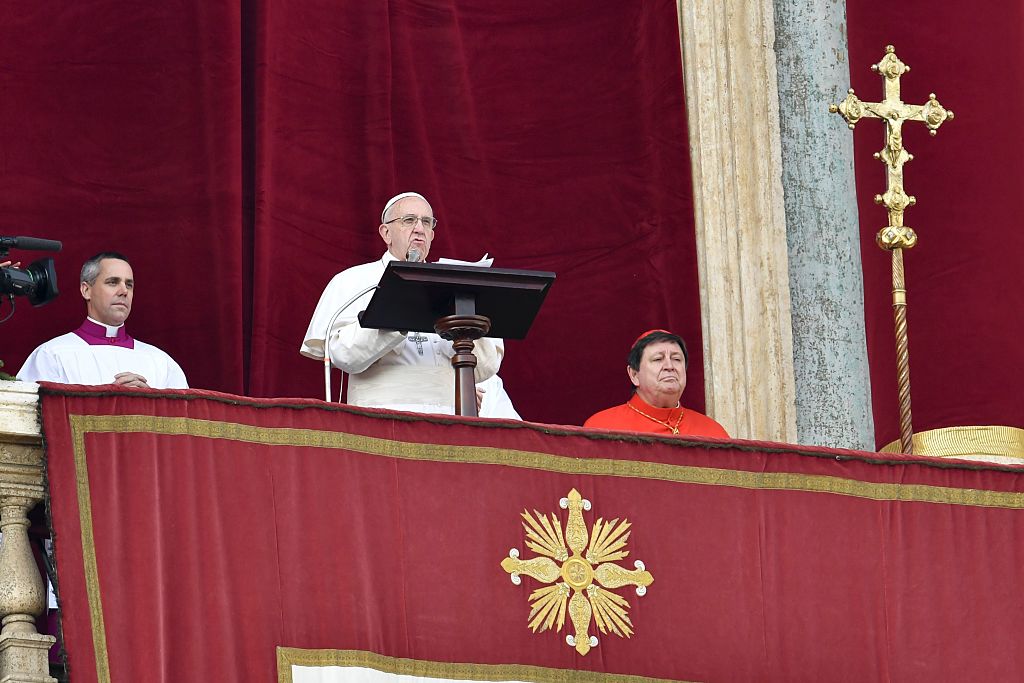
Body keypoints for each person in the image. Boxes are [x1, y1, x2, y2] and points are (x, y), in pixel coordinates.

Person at [301, 192, 503, 414]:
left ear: (432, 234)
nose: (419, 228)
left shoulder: (454, 284)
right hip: (381, 418)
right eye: (409, 220)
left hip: (449, 419)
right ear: (386, 233)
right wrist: (398, 312)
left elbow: (487, 367)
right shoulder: (353, 281)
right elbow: (345, 357)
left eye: (426, 222)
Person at [17, 252, 188, 388]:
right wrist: (106, 401)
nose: (124, 291)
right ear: (86, 290)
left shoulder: (161, 362)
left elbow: (182, 427)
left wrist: (149, 403)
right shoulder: (52, 355)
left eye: (129, 284)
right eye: (113, 282)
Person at [584, 329, 728, 437]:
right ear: (634, 375)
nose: (669, 366)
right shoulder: (601, 428)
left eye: (677, 359)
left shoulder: (714, 433)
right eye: (658, 359)